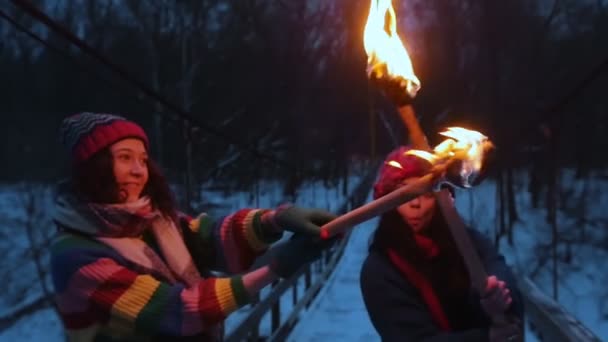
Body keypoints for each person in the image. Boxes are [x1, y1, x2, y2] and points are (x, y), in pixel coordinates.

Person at [50, 112, 338, 341]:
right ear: (94, 167)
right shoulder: (75, 257)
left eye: (143, 160)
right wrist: (276, 268)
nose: (140, 171)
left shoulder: (155, 220)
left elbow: (213, 238)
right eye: (125, 157)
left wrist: (275, 219)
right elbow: (179, 310)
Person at [360, 146, 524, 341]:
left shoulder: (467, 241)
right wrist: (484, 338)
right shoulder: (380, 269)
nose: (416, 203)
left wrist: (495, 296)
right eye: (404, 192)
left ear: (441, 198)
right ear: (387, 199)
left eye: (427, 193)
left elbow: (497, 269)